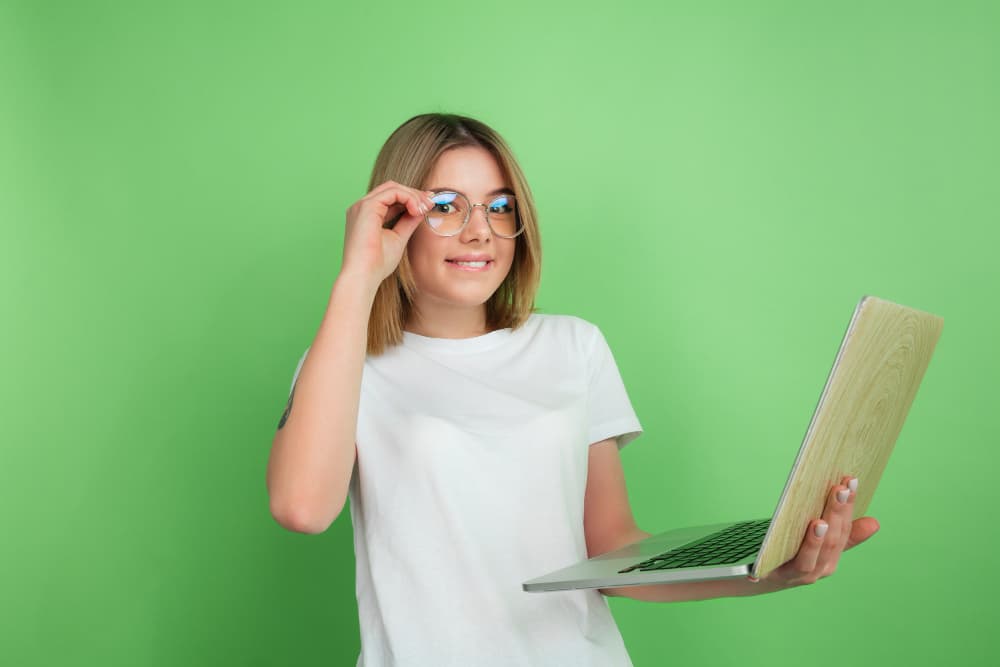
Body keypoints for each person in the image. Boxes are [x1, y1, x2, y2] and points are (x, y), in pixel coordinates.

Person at [265, 113, 881, 666]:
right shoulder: (344, 365)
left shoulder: (573, 346)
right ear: (398, 218)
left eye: (499, 207)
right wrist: (358, 277)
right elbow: (301, 508)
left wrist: (773, 567)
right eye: (447, 204)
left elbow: (612, 552)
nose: (479, 232)